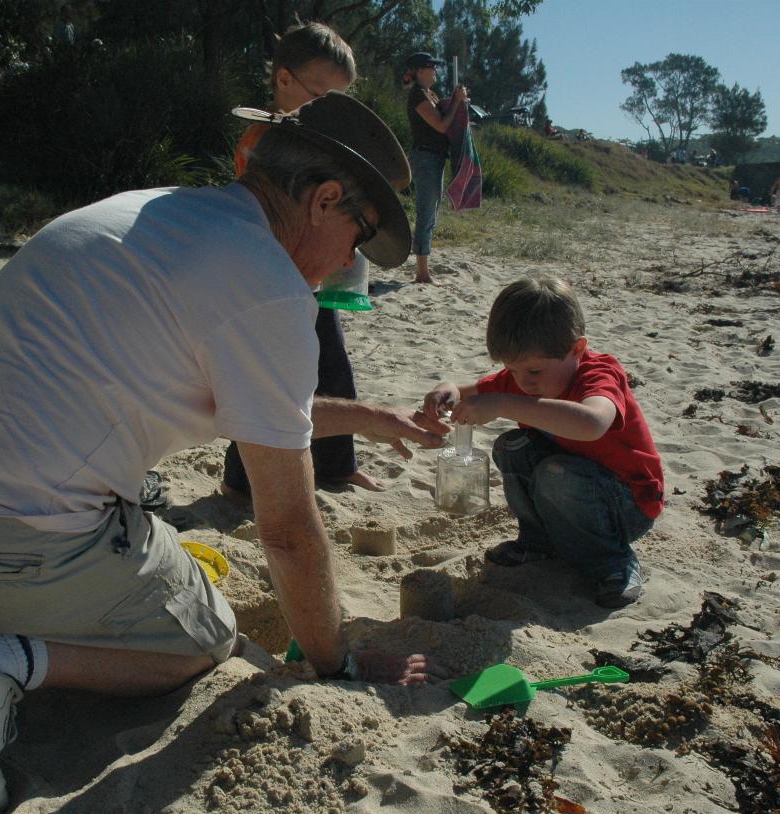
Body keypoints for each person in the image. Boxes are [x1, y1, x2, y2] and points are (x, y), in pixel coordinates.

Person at [0, 93, 434, 814]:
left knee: (28, 524)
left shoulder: (156, 210)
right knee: (202, 631)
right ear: (323, 200)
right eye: (362, 232)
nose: (354, 259)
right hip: (0, 546)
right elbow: (286, 528)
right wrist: (335, 662)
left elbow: (259, 408)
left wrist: (372, 419)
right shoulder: (271, 291)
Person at [223, 21, 403, 496]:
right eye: (322, 97)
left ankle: (339, 465)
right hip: (278, 279)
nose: (331, 113)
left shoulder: (319, 141)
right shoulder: (263, 142)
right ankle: (239, 483)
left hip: (320, 277)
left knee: (334, 367)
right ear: (284, 80)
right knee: (268, 380)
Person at [419, 277, 664, 609]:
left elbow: (592, 422)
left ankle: (613, 562)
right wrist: (446, 390)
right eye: (512, 370)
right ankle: (539, 541)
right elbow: (467, 390)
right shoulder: (524, 376)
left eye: (533, 371)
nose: (523, 382)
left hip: (626, 505)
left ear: (576, 350)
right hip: (569, 486)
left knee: (554, 472)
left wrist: (503, 404)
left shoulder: (598, 374)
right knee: (510, 447)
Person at [404, 51, 467, 284]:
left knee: (431, 212)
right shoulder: (418, 96)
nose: (436, 71)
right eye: (432, 67)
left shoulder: (429, 94)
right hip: (426, 158)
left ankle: (423, 269)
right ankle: (422, 272)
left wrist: (457, 100)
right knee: (426, 212)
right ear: (420, 71)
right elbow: (441, 125)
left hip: (435, 158)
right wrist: (457, 102)